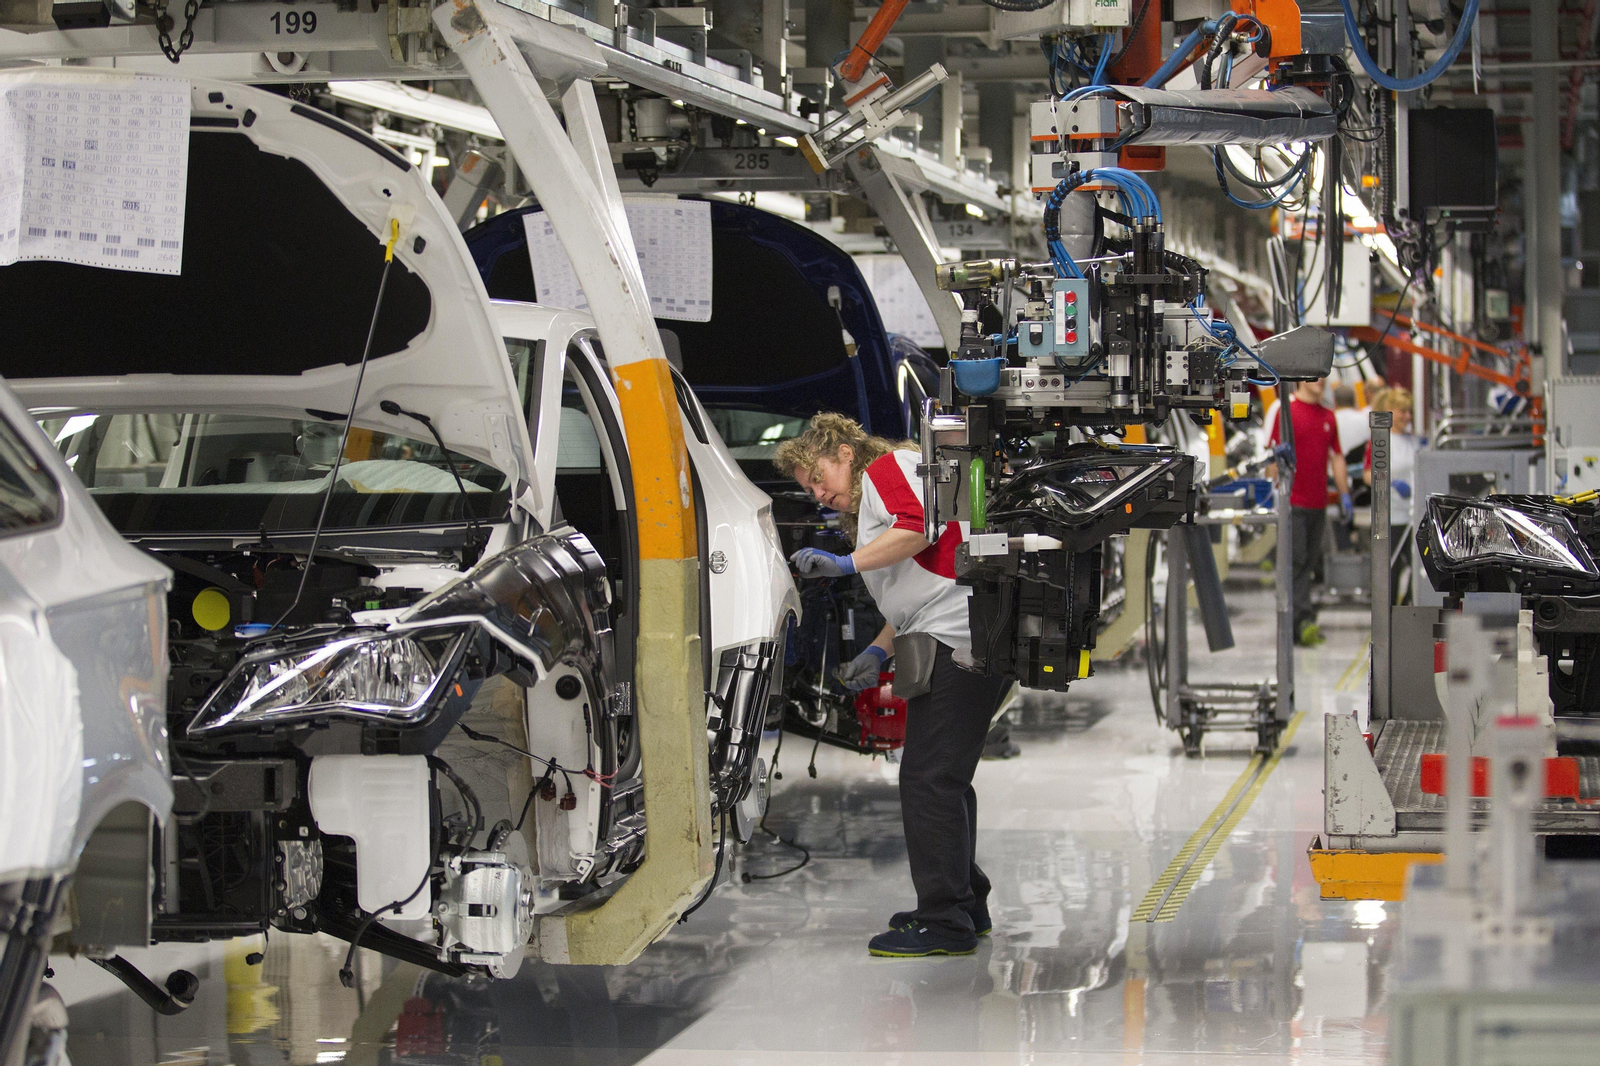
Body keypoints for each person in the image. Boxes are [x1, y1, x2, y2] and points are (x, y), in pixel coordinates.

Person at [774, 413, 1011, 958]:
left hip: (961, 639)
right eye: (808, 489)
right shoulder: (875, 495)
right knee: (944, 778)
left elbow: (918, 529)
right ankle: (964, 904)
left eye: (817, 477)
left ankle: (944, 921)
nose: (817, 494)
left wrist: (844, 563)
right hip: (947, 633)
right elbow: (914, 586)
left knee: (928, 780)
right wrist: (879, 649)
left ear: (843, 452)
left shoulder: (887, 466)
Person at [1267, 377, 1351, 647]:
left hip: (1318, 503)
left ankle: (1299, 620)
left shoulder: (1328, 416)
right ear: (1300, 380)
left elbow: (1336, 457)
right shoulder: (1287, 413)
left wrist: (1344, 493)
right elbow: (1273, 456)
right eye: (1315, 378)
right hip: (1293, 501)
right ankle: (1300, 621)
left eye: (1323, 378)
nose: (1321, 382)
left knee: (1309, 563)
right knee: (1297, 561)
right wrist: (1273, 494)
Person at [1362, 387, 1420, 602]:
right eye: (1402, 411)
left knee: (1419, 570)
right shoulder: (1380, 441)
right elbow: (1368, 474)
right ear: (1390, 411)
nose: (1407, 416)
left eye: (1409, 411)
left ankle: (1406, 610)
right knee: (1390, 573)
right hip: (1390, 518)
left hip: (1413, 516)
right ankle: (1388, 622)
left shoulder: (1412, 440)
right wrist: (1390, 483)